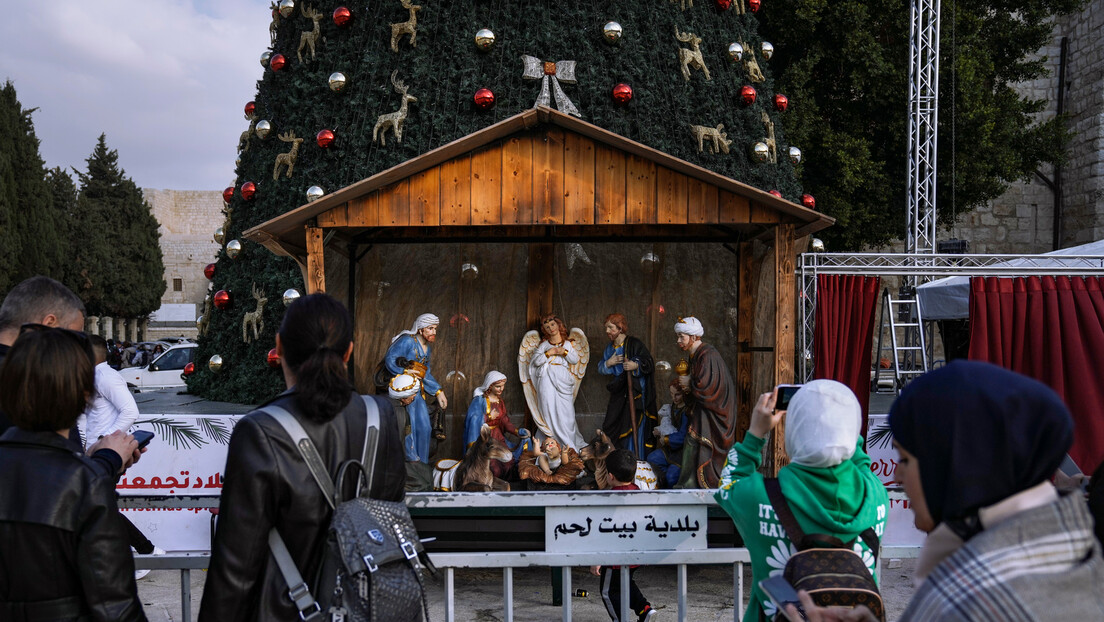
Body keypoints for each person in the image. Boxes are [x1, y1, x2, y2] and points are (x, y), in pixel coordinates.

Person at [792, 361, 1104, 622]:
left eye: (905, 458)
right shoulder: (1059, 550)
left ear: (956, 465)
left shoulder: (975, 601)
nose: (897, 477)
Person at [199, 294, 406, 621]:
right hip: (369, 609)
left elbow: (235, 568)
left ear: (278, 346)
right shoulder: (383, 417)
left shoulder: (259, 431)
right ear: (348, 352)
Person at [0, 327, 146, 621]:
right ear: (83, 396)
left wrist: (97, 460)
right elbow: (115, 607)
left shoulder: (84, 475)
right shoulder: (85, 482)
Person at [714, 380, 888, 622]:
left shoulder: (760, 498)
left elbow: (727, 484)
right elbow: (861, 463)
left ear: (793, 432)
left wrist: (756, 433)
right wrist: (839, 416)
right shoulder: (876, 495)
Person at [0, 275, 138, 476]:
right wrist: (108, 461)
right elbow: (55, 487)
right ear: (48, 325)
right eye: (76, 338)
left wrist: (91, 458)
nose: (77, 350)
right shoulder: (40, 380)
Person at [590, 449, 658, 622]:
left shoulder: (609, 499)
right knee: (625, 583)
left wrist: (596, 558)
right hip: (635, 554)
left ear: (610, 476)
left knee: (608, 592)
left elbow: (602, 530)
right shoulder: (638, 492)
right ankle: (644, 609)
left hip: (614, 559)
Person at [672, 316, 737, 488]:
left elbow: (708, 389)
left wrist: (690, 384)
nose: (678, 341)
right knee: (691, 443)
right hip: (704, 413)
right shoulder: (696, 356)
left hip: (715, 416)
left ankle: (695, 484)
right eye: (678, 336)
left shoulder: (708, 356)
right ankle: (688, 484)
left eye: (682, 337)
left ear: (693, 338)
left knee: (693, 443)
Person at [384, 313, 447, 463]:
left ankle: (422, 463)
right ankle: (410, 461)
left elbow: (426, 373)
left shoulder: (427, 349)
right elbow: (390, 359)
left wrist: (438, 391)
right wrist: (405, 371)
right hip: (403, 392)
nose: (434, 332)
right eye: (430, 328)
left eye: (435, 328)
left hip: (417, 392)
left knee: (425, 428)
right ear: (420, 329)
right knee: (408, 428)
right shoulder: (407, 341)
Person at [522, 313, 588, 451]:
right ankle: (550, 441)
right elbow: (535, 362)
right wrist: (549, 352)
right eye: (547, 327)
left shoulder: (568, 343)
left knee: (567, 413)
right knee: (548, 409)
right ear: (544, 330)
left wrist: (562, 351)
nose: (551, 328)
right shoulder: (544, 345)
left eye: (552, 324)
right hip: (546, 379)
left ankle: (568, 445)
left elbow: (574, 360)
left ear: (558, 325)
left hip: (563, 379)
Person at [597, 313, 658, 457]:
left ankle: (637, 458)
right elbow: (601, 368)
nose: (607, 331)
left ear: (620, 328)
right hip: (619, 392)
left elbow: (648, 362)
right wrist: (608, 363)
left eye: (610, 328)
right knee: (612, 424)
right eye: (606, 328)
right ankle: (618, 458)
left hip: (635, 393)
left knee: (634, 424)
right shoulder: (609, 348)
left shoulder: (634, 344)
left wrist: (635, 365)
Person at [464, 370, 526, 479]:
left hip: (498, 437)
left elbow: (504, 421)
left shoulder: (500, 401)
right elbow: (473, 418)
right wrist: (488, 417)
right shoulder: (480, 400)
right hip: (485, 438)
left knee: (508, 464)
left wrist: (517, 431)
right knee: (493, 467)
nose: (501, 389)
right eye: (498, 386)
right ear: (490, 386)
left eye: (503, 386)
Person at [79, 335, 140, 445]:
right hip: (89, 447)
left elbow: (130, 412)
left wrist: (104, 438)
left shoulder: (106, 376)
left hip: (101, 448)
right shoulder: (93, 375)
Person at [646, 379, 690, 488]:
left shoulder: (686, 412)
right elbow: (668, 424)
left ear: (684, 393)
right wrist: (660, 430)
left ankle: (672, 484)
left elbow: (683, 436)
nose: (673, 398)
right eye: (671, 394)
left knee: (671, 478)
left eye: (677, 395)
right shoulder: (673, 407)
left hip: (682, 452)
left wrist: (665, 439)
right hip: (670, 448)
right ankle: (665, 481)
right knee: (652, 458)